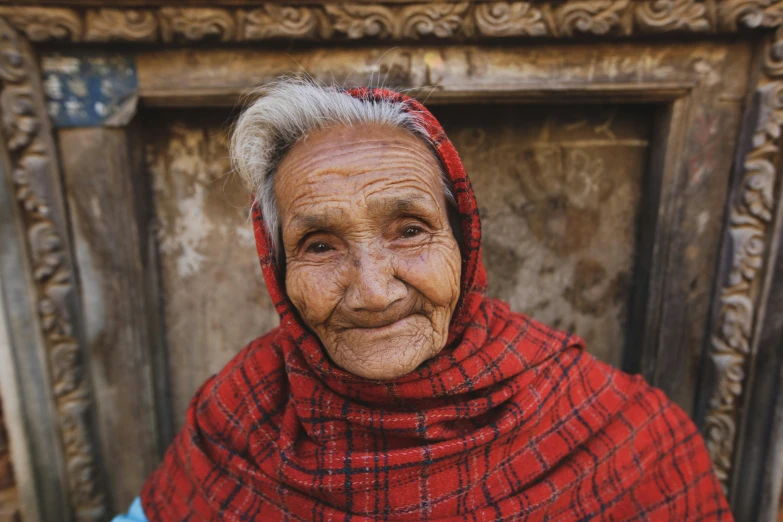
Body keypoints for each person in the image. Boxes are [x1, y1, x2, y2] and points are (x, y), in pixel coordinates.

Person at [115, 78, 731, 521]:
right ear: (278, 272)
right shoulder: (240, 417)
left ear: (464, 243)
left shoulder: (612, 430)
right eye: (321, 245)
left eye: (410, 230)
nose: (373, 290)